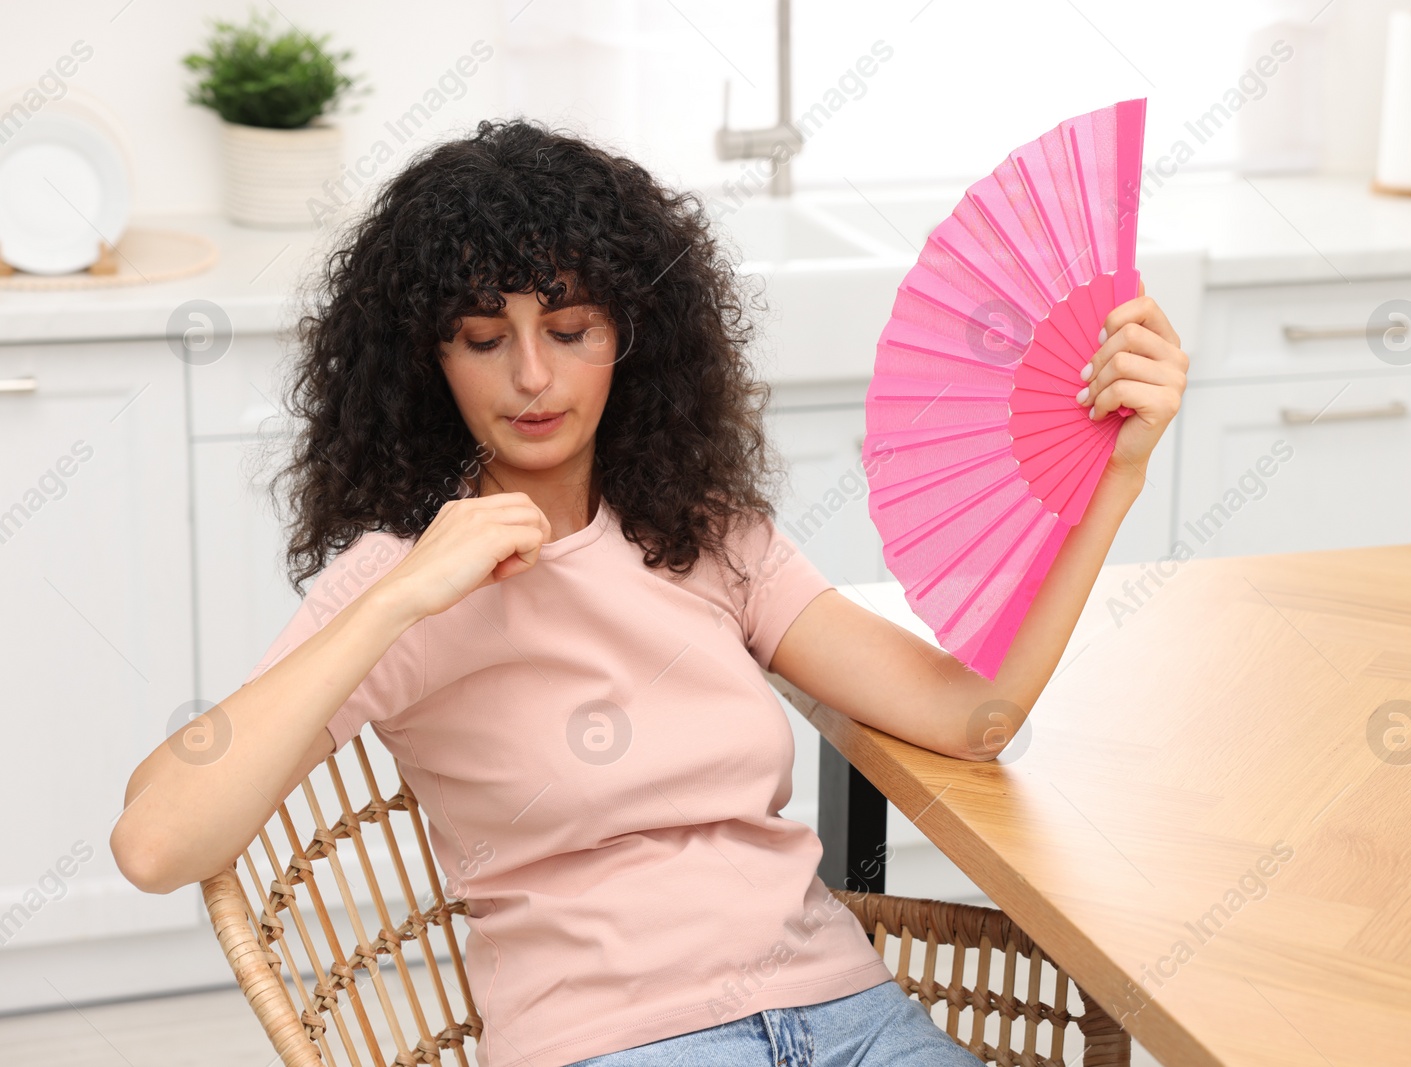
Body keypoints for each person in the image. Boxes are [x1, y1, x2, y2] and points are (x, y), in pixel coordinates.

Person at [110, 118, 1187, 1067]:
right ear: (426, 362)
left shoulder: (702, 527)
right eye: (485, 341)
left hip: (845, 1008)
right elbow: (157, 841)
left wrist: (1116, 479)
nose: (532, 376)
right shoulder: (409, 574)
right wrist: (398, 597)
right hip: (613, 1039)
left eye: (570, 330)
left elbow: (973, 716)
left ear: (631, 334)